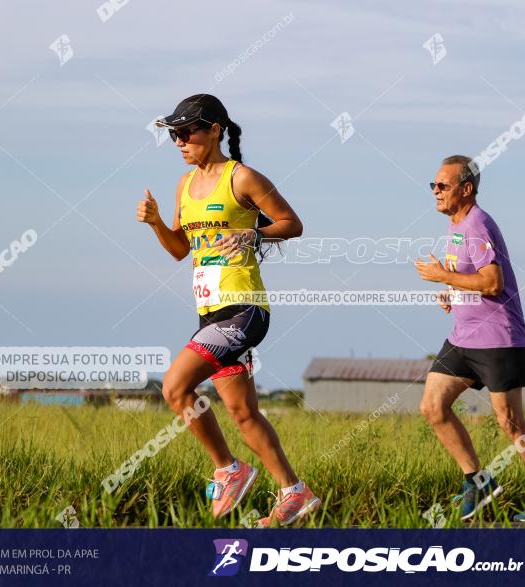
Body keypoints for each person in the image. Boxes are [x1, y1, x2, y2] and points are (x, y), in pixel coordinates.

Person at [137, 94, 320, 526]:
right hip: (210, 311)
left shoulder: (243, 178)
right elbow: (180, 250)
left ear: (214, 130)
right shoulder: (183, 185)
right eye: (174, 135)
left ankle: (229, 468)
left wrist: (253, 236)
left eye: (187, 132)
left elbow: (293, 224)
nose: (179, 141)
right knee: (242, 412)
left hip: (244, 308)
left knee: (175, 388)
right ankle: (294, 493)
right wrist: (157, 224)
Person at [415, 155, 525, 522]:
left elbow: (493, 282)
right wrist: (449, 286)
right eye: (433, 185)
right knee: (432, 406)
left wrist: (440, 278)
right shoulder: (456, 225)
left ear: (466, 189)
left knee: (510, 421)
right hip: (464, 337)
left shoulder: (477, 224)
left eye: (442, 186)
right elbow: (468, 275)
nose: (435, 191)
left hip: (498, 338)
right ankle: (476, 480)